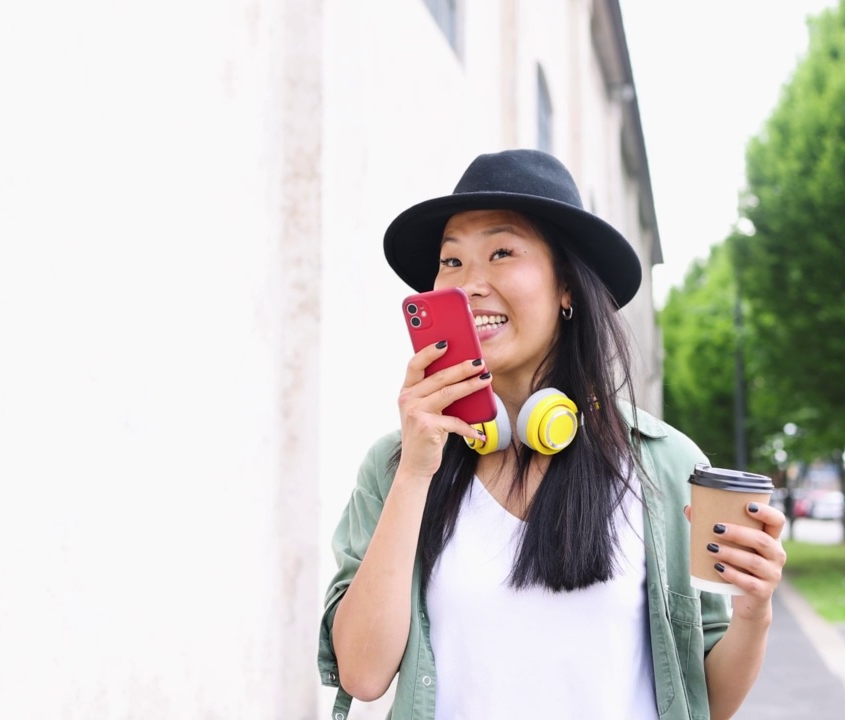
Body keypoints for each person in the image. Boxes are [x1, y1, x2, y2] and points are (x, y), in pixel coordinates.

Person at [317, 149, 786, 719]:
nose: (469, 285)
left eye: (502, 252)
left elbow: (703, 702)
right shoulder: (398, 466)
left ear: (567, 286)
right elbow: (363, 676)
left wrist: (754, 611)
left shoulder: (662, 465)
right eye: (451, 261)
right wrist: (416, 470)